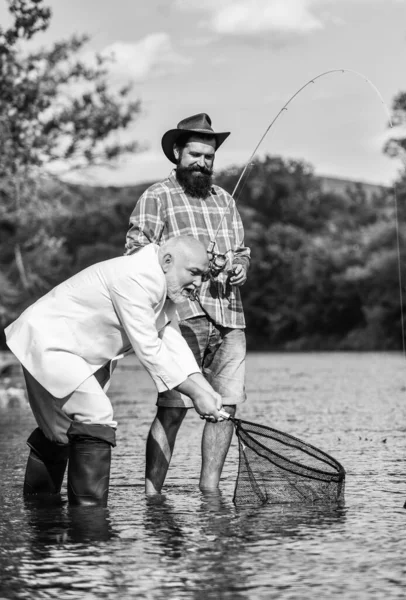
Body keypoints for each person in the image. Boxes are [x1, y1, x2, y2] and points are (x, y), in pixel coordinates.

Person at [5, 236, 223, 507]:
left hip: (60, 348)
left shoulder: (162, 287)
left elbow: (173, 343)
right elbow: (149, 348)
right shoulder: (135, 277)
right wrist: (195, 394)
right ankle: (90, 523)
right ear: (168, 261)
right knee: (96, 415)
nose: (199, 284)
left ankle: (40, 515)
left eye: (204, 276)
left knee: (58, 434)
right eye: (194, 273)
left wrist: (204, 388)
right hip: (48, 341)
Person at [125, 112, 251, 495]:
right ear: (177, 153)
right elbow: (135, 252)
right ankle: (152, 493)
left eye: (209, 157)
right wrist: (189, 266)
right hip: (181, 318)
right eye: (195, 155)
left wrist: (237, 267)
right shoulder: (156, 197)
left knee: (225, 407)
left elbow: (242, 252)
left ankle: (209, 492)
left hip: (229, 317)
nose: (202, 163)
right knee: (174, 405)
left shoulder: (225, 201)